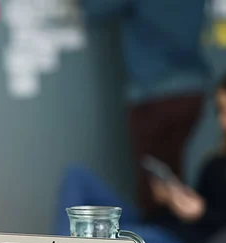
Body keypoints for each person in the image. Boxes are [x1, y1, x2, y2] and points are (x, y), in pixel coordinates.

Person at [56, 67, 226, 243]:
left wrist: (202, 212)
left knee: (115, 238)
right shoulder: (222, 156)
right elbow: (201, 200)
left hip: (177, 239)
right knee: (76, 177)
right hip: (160, 221)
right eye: (221, 111)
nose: (223, 120)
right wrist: (172, 196)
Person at [81, 0, 209, 217]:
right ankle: (173, 240)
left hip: (153, 95)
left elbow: (92, 8)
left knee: (154, 186)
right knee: (172, 180)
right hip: (192, 90)